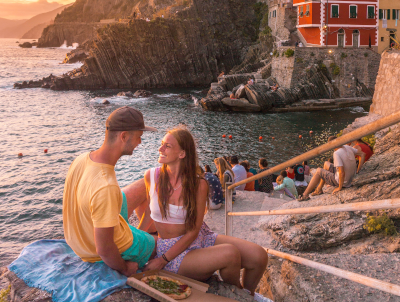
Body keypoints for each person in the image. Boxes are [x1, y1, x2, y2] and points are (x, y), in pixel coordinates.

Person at [143, 127, 269, 298]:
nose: (160, 149)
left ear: (182, 153)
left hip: (199, 235)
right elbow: (138, 207)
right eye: (161, 144)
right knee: (230, 253)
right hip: (172, 250)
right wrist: (153, 251)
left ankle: (249, 293)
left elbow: (194, 230)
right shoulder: (151, 176)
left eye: (167, 146)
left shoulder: (199, 184)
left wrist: (160, 260)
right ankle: (240, 294)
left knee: (259, 256)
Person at [63, 107, 157, 277]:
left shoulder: (82, 159)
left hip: (79, 241)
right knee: (161, 244)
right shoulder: (105, 186)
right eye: (138, 137)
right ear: (124, 136)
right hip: (96, 252)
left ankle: (136, 230)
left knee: (144, 185)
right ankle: (144, 237)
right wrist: (124, 268)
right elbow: (105, 249)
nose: (140, 143)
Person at [298, 136, 365, 201]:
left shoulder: (337, 153)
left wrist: (339, 187)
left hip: (344, 182)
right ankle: (319, 189)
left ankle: (305, 195)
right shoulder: (348, 147)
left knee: (318, 171)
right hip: (351, 177)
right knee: (326, 163)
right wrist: (358, 170)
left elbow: (342, 173)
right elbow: (362, 154)